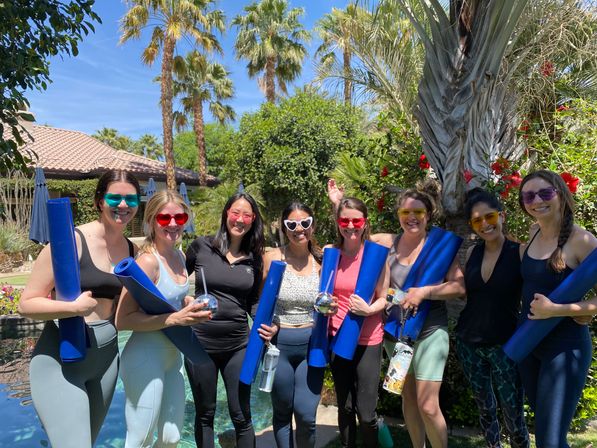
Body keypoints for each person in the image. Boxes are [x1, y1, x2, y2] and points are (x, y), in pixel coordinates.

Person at [328, 178, 464, 448]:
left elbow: (459, 287)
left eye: (418, 213)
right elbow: (352, 227)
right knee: (409, 400)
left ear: (428, 215)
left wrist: (425, 292)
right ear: (398, 215)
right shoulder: (385, 242)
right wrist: (336, 204)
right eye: (406, 213)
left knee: (427, 405)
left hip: (429, 332)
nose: (412, 218)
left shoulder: (440, 248)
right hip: (396, 337)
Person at [19, 169, 140, 448]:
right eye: (115, 198)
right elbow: (27, 303)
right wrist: (72, 308)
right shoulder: (70, 242)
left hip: (106, 361)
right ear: (100, 201)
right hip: (63, 358)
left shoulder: (132, 250)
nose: (123, 206)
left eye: (131, 200)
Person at [115, 190, 212, 447]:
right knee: (140, 437)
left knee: (171, 438)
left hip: (172, 356)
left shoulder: (179, 257)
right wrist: (173, 319)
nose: (172, 224)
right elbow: (122, 320)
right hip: (144, 355)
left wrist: (189, 305)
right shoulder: (148, 262)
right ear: (151, 221)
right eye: (164, 218)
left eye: (179, 218)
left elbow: (172, 301)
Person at [516, 170, 596, 448]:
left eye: (545, 193)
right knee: (550, 436)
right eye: (528, 195)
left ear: (560, 195)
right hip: (529, 345)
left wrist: (556, 309)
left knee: (549, 442)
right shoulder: (533, 232)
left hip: (564, 348)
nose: (536, 200)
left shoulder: (582, 241)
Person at [184, 192, 270, 448]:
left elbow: (254, 301)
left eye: (247, 215)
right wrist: (182, 304)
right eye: (236, 212)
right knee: (205, 414)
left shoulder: (255, 258)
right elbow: (176, 281)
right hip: (199, 344)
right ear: (226, 214)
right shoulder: (201, 247)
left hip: (238, 346)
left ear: (253, 220)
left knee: (241, 415)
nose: (240, 219)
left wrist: (265, 324)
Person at [455, 188, 529, 448]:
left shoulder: (520, 253)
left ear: (502, 215)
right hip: (469, 343)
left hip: (505, 346)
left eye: (490, 216)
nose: (485, 224)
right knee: (485, 409)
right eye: (477, 220)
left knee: (513, 413)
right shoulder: (473, 253)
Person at [262, 202, 337, 448]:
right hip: (278, 345)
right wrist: (268, 324)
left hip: (312, 345)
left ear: (312, 225)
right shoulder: (272, 258)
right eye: (291, 224)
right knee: (282, 412)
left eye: (305, 223)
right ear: (284, 228)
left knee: (305, 415)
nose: (299, 229)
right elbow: (259, 300)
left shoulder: (322, 261)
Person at [327, 196, 389, 448]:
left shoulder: (374, 255)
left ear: (365, 223)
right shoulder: (332, 254)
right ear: (337, 222)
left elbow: (385, 297)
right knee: (344, 407)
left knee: (366, 412)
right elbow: (325, 293)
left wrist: (369, 308)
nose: (350, 225)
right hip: (337, 337)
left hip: (368, 339)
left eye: (356, 220)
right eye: (344, 220)